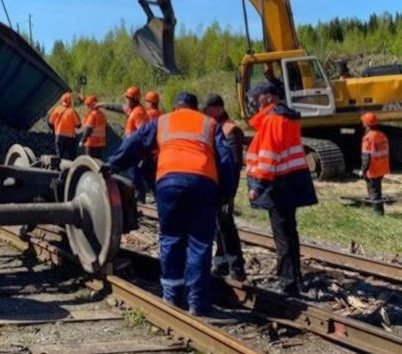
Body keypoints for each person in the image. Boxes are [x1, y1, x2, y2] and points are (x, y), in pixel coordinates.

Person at [106, 92, 236, 316]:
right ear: (196, 109)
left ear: (176, 108)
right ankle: (197, 304)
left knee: (171, 237)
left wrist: (112, 165)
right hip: (203, 182)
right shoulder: (210, 123)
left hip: (169, 181)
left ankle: (172, 298)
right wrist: (226, 193)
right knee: (199, 243)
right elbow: (226, 159)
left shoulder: (163, 121)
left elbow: (135, 143)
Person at [245, 82, 318, 296]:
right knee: (289, 232)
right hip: (291, 181)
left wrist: (258, 186)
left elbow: (268, 155)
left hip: (278, 184)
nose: (255, 103)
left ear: (268, 98)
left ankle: (287, 282)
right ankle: (294, 278)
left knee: (282, 235)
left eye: (257, 98)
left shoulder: (273, 120)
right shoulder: (287, 117)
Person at [203, 94, 246, 281]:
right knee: (217, 226)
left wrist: (230, 194)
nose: (206, 113)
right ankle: (221, 264)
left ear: (219, 109)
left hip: (224, 188)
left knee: (226, 225)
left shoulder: (230, 129)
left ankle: (236, 266)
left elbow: (234, 165)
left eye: (209, 109)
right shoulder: (215, 127)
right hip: (214, 185)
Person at [359, 112, 389, 216]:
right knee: (377, 190)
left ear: (366, 123)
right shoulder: (382, 135)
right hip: (382, 167)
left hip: (373, 169)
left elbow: (366, 156)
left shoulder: (368, 138)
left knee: (374, 192)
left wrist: (363, 170)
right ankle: (379, 211)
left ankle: (378, 214)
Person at [78, 95, 107, 159]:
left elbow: (88, 129)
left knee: (89, 162)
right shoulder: (102, 115)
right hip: (100, 143)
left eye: (88, 105)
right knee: (98, 161)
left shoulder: (92, 115)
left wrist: (82, 141)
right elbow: (105, 128)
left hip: (91, 143)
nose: (86, 106)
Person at [54, 95, 81, 161]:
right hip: (70, 138)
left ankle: (57, 169)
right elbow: (78, 125)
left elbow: (50, 122)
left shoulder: (57, 109)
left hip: (59, 136)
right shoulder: (72, 111)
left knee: (59, 155)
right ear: (70, 101)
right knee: (71, 156)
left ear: (62, 100)